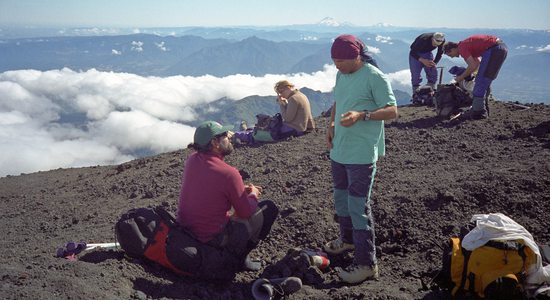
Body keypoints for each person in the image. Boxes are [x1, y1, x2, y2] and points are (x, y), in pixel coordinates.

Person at [324, 34, 398, 284]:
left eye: (340, 61)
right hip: (340, 150)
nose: (336, 66)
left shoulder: (374, 77)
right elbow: (338, 100)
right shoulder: (341, 74)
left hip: (361, 154)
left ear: (356, 57)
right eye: (334, 61)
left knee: (358, 207)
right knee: (341, 199)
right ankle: (346, 240)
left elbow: (392, 110)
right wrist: (331, 124)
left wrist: (361, 115)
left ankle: (367, 264)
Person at [177, 121, 279, 273]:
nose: (229, 136)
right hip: (210, 238)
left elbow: (208, 185)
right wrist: (253, 194)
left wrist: (237, 189)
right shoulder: (229, 173)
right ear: (214, 142)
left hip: (185, 233)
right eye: (225, 135)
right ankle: (239, 259)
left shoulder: (192, 160)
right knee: (268, 208)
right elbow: (245, 212)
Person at [443, 34, 508, 119]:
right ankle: (482, 108)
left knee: (480, 81)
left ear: (452, 49)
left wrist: (459, 78)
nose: (451, 57)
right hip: (501, 48)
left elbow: (472, 66)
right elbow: (476, 64)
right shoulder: (466, 44)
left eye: (449, 54)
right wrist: (470, 74)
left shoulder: (462, 47)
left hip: (494, 49)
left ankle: (478, 112)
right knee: (484, 79)